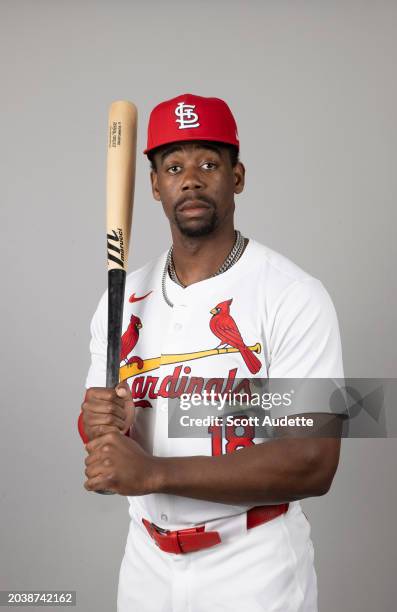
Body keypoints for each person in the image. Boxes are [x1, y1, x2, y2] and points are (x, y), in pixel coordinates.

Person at [78, 93, 344, 611]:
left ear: (237, 177)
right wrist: (100, 423)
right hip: (145, 565)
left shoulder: (292, 294)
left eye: (208, 163)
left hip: (253, 565)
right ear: (154, 185)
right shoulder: (125, 296)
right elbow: (100, 439)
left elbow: (314, 461)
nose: (192, 179)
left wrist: (153, 472)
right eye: (174, 165)